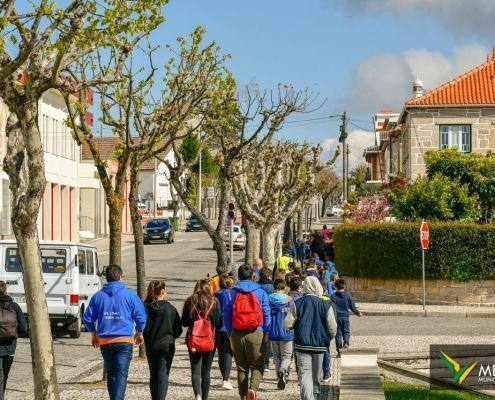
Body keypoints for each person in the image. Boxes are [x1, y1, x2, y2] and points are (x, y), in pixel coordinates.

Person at [83, 264, 146, 400]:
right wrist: (139, 332)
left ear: (106, 278)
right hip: (123, 342)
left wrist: (93, 334)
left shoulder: (97, 297)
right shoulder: (130, 296)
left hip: (105, 342)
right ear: (121, 277)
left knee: (111, 373)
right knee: (121, 374)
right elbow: (141, 317)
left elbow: (88, 318)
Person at [284, 276, 337, 400]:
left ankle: (308, 397)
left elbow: (287, 324)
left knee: (304, 374)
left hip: (302, 345)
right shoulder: (325, 305)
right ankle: (315, 395)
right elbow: (332, 327)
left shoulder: (297, 303)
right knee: (316, 374)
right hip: (319, 345)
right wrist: (328, 338)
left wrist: (295, 326)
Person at [223, 264, 271, 400]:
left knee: (242, 368)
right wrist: (266, 331)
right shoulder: (260, 292)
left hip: (237, 332)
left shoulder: (232, 292)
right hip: (256, 331)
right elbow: (267, 314)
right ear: (253, 276)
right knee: (258, 364)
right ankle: (253, 389)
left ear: (238, 276)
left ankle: (243, 397)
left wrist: (230, 331)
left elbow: (226, 314)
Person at [182, 280, 222, 400]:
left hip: (193, 341)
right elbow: (219, 323)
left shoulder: (190, 301)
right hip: (210, 340)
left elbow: (184, 322)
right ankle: (204, 397)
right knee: (206, 371)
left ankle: (197, 395)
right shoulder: (214, 302)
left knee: (195, 370)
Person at [143, 281, 182, 400]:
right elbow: (178, 329)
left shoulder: (146, 308)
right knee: (163, 373)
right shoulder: (170, 309)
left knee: (154, 374)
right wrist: (170, 337)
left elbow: (142, 327)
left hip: (151, 345)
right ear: (163, 291)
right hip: (166, 345)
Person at [0, 281, 27, 400]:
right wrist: (14, 334)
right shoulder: (14, 306)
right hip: (10, 347)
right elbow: (24, 327)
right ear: (5, 291)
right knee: (4, 375)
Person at [268, 279, 294, 390]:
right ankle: (283, 371)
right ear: (284, 288)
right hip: (287, 333)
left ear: (274, 288)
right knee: (287, 356)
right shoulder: (289, 301)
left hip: (273, 332)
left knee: (277, 357)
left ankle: (281, 377)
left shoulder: (268, 299)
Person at [214, 275, 235, 390]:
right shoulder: (232, 294)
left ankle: (224, 378)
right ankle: (225, 380)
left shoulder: (215, 294)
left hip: (217, 328)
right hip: (229, 327)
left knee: (221, 353)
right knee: (228, 353)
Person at [330, 279, 361, 353]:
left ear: (335, 286)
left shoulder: (332, 296)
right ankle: (346, 342)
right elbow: (352, 307)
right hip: (345, 317)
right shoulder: (347, 295)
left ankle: (339, 350)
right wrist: (358, 313)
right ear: (344, 286)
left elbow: (330, 308)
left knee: (338, 333)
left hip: (336, 318)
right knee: (346, 331)